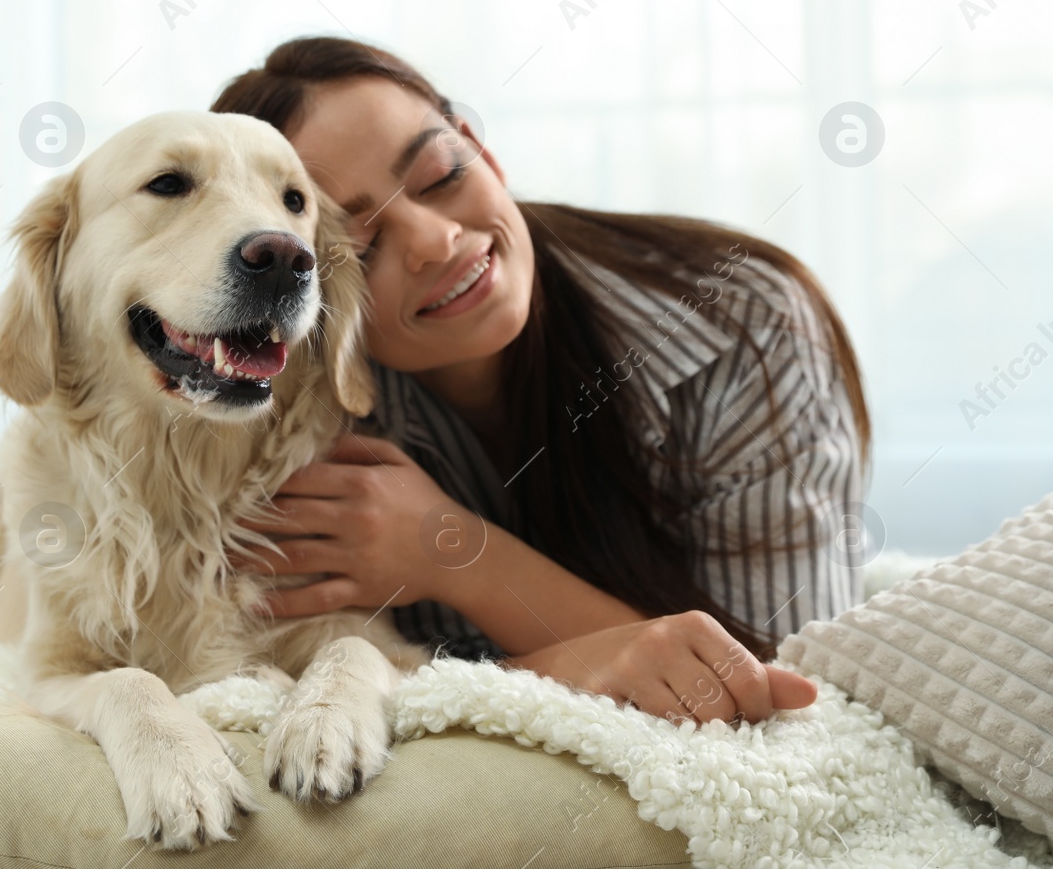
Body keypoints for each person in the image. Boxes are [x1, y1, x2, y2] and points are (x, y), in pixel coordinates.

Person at [212, 36, 873, 726]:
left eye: (442, 174)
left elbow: (792, 704)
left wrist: (452, 549)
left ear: (481, 150)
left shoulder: (748, 326)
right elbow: (284, 690)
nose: (437, 240)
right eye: (358, 247)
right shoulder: (289, 411)